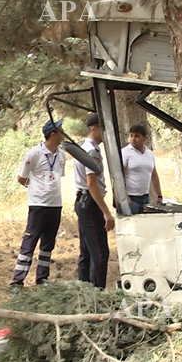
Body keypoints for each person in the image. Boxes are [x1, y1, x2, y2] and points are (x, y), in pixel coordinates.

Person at [9, 119, 66, 293]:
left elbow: (58, 176)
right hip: (38, 205)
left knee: (48, 243)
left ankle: (42, 278)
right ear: (53, 134)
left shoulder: (61, 154)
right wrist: (36, 189)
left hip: (55, 204)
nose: (64, 132)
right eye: (61, 130)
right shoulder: (34, 153)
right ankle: (17, 282)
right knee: (30, 241)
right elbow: (21, 178)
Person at [74, 114, 114, 289]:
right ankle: (97, 292)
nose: (106, 133)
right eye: (103, 128)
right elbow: (92, 183)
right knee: (100, 251)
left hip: (84, 201)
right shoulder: (92, 151)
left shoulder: (86, 148)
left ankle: (84, 288)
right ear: (94, 128)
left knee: (87, 251)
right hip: (90, 203)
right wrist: (106, 212)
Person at [121, 124, 163, 214]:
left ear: (144, 138)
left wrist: (159, 195)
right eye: (131, 135)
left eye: (137, 136)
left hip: (145, 196)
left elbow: (154, 175)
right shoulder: (125, 152)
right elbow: (120, 176)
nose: (133, 139)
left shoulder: (150, 154)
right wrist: (125, 196)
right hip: (131, 197)